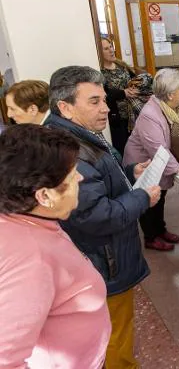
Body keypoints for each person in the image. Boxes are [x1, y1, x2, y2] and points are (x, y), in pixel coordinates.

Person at [46, 65, 160, 369]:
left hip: (101, 257)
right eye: (94, 101)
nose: (106, 109)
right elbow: (97, 215)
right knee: (114, 336)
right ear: (65, 107)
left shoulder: (77, 136)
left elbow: (97, 186)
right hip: (105, 262)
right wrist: (142, 196)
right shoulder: (72, 151)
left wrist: (128, 173)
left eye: (104, 100)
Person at [0, 124, 111, 369]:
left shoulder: (27, 220)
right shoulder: (31, 261)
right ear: (45, 196)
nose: (81, 178)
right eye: (72, 176)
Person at [124, 69, 179, 251]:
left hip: (162, 160)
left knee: (160, 196)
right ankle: (151, 237)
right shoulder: (149, 114)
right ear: (170, 94)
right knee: (147, 199)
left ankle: (161, 230)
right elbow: (158, 149)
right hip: (143, 162)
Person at [100, 37, 140, 155]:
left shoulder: (121, 65)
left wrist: (136, 88)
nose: (111, 50)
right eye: (106, 49)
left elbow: (136, 79)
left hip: (133, 114)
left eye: (111, 46)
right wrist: (124, 93)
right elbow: (104, 94)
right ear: (99, 52)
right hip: (117, 118)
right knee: (123, 150)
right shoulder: (100, 72)